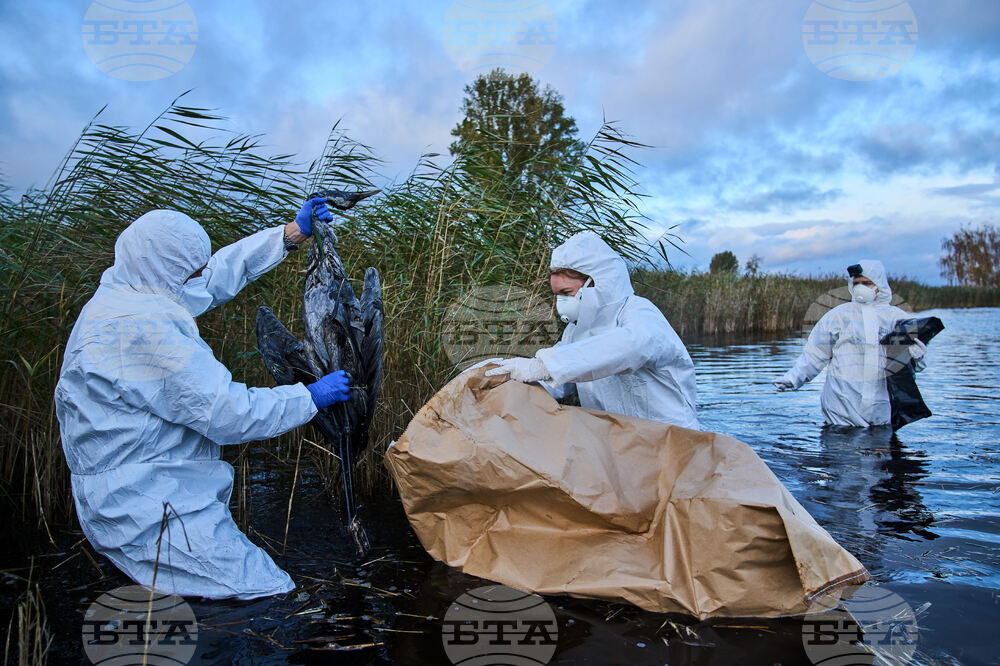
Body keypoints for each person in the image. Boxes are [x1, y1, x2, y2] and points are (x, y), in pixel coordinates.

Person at [54, 198, 351, 600]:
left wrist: (289, 235)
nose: (198, 276)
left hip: (143, 488)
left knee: (188, 597)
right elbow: (226, 414)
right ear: (164, 267)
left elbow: (211, 278)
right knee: (264, 591)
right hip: (149, 505)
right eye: (189, 269)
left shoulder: (130, 290)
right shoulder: (141, 328)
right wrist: (310, 396)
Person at [486, 231, 700, 430]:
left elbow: (630, 347)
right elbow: (560, 382)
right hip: (620, 445)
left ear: (595, 283)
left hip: (672, 442)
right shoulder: (574, 332)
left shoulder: (639, 313)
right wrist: (504, 376)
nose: (560, 301)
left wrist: (544, 366)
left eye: (566, 292)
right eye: (557, 294)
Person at [772, 260, 927, 428]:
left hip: (881, 408)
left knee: (880, 450)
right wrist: (793, 378)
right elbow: (815, 354)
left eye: (866, 283)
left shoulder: (898, 318)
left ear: (879, 284)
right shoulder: (839, 316)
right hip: (840, 409)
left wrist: (918, 357)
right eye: (856, 283)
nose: (860, 287)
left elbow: (917, 367)